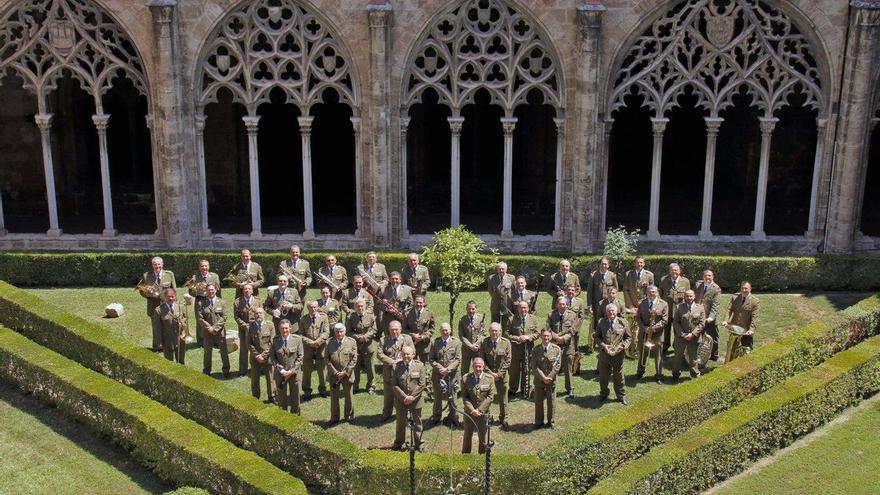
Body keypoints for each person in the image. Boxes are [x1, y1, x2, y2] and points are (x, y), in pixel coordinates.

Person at [594, 304, 631, 405]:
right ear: (606, 312)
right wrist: (603, 345)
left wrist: (622, 347)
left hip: (618, 355)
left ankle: (621, 396)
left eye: (613, 311)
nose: (611, 312)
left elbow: (628, 338)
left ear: (616, 311)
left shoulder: (623, 322)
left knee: (619, 377)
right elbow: (596, 337)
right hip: (604, 355)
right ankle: (603, 394)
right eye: (609, 311)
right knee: (603, 377)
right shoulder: (601, 322)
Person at [392, 346, 427, 451]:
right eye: (404, 354)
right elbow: (394, 384)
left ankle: (419, 444)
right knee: (400, 423)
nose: (406, 356)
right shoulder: (396, 366)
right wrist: (404, 397)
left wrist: (412, 397)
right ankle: (398, 444)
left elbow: (422, 384)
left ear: (413, 354)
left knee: (417, 423)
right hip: (400, 400)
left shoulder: (419, 366)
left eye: (408, 354)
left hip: (416, 400)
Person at [379, 321, 414, 421]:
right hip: (389, 372)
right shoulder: (384, 340)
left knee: (404, 393)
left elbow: (413, 352)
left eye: (396, 330)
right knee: (388, 395)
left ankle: (406, 413)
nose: (394, 332)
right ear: (389, 330)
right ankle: (386, 413)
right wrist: (393, 362)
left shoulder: (407, 339)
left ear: (400, 329)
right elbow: (380, 354)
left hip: (403, 372)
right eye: (392, 330)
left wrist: (403, 360)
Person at [140, 256, 176, 352]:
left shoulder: (169, 274)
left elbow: (174, 290)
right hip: (153, 305)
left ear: (162, 264)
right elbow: (141, 289)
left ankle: (168, 345)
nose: (157, 266)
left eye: (159, 264)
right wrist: (146, 294)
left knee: (168, 325)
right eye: (155, 264)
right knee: (156, 327)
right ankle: (157, 347)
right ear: (152, 265)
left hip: (166, 305)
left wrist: (174, 304)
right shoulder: (146, 276)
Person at [479, 322, 511, 430]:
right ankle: (487, 417)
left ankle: (504, 418)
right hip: (488, 376)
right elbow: (482, 359)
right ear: (489, 331)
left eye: (496, 330)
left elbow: (508, 360)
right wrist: (490, 373)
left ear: (500, 332)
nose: (494, 333)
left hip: (502, 376)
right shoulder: (484, 342)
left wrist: (499, 374)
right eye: (492, 330)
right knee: (486, 398)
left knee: (503, 398)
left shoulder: (506, 343)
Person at [429, 322, 461, 426]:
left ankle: (453, 417)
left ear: (450, 330)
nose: (445, 332)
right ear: (440, 331)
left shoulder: (456, 342)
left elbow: (458, 359)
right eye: (443, 330)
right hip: (438, 375)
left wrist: (447, 369)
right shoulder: (435, 342)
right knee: (437, 397)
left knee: (453, 396)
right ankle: (436, 417)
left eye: (447, 330)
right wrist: (440, 368)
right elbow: (431, 359)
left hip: (452, 375)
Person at [461, 357, 495, 454]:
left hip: (483, 414)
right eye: (476, 367)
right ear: (473, 367)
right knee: (467, 435)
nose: (478, 369)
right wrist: (472, 410)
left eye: (480, 367)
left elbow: (490, 397)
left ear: (483, 367)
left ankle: (482, 456)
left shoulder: (490, 378)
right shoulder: (465, 378)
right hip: (469, 413)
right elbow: (464, 397)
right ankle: (465, 457)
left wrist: (480, 410)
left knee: (483, 436)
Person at [546, 297, 578, 398]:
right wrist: (557, 338)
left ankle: (570, 389)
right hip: (554, 345)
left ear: (567, 305)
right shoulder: (551, 314)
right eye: (560, 304)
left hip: (568, 345)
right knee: (552, 367)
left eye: (564, 304)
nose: (562, 306)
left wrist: (563, 338)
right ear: (556, 305)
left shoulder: (572, 315)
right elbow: (548, 328)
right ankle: (550, 387)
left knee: (568, 368)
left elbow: (573, 330)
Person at [636, 285, 669, 382]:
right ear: (647, 292)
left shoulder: (664, 304)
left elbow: (665, 320)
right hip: (644, 333)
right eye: (649, 291)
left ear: (657, 292)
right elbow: (638, 318)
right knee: (642, 354)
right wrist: (643, 328)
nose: (651, 293)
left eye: (653, 292)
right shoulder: (642, 303)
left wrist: (652, 329)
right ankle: (640, 372)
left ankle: (659, 375)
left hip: (657, 334)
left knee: (658, 356)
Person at [505, 300, 538, 398]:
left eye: (525, 308)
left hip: (528, 349)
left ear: (528, 308)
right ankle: (513, 389)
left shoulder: (533, 319)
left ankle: (525, 389)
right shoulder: (511, 319)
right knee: (514, 371)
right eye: (521, 308)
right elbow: (506, 333)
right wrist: (518, 338)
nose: (523, 310)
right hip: (515, 349)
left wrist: (528, 337)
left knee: (526, 369)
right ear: (518, 308)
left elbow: (537, 333)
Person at [326, 323, 357, 423]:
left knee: (349, 396)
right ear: (334, 332)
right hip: (333, 376)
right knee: (334, 397)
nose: (339, 334)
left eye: (341, 331)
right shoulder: (329, 343)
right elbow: (326, 359)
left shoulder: (352, 342)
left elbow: (354, 359)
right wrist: (335, 372)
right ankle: (335, 417)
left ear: (345, 331)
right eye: (337, 332)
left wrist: (345, 372)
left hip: (347, 375)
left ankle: (349, 416)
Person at [197, 283, 229, 377]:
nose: (211, 291)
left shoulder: (222, 302)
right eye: (209, 290)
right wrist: (209, 328)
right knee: (207, 352)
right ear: (206, 291)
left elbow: (224, 317)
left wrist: (214, 328)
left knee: (224, 351)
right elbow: (200, 318)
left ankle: (226, 370)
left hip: (220, 331)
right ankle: (207, 371)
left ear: (216, 290)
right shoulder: (201, 303)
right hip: (207, 332)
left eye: (212, 290)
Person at [531, 329, 562, 429]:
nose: (546, 338)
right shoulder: (535, 350)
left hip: (551, 380)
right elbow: (534, 366)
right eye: (544, 336)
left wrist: (550, 377)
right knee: (538, 402)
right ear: (541, 336)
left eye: (548, 336)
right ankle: (538, 422)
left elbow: (558, 365)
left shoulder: (557, 349)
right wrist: (543, 377)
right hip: (539, 380)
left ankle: (551, 422)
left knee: (551, 402)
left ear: (551, 337)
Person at [672, 290, 706, 380]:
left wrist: (693, 334)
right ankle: (675, 374)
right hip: (681, 337)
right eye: (687, 296)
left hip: (694, 337)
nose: (689, 298)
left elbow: (702, 323)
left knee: (693, 358)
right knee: (677, 357)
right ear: (684, 297)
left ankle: (694, 374)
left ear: (694, 296)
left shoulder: (700, 308)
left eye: (691, 296)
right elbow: (675, 322)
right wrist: (682, 334)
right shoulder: (679, 307)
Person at [271, 320, 303, 414]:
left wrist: (291, 371)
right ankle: (283, 417)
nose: (284, 330)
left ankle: (295, 416)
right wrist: (281, 370)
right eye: (282, 328)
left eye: (286, 328)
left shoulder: (297, 339)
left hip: (294, 374)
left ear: (290, 328)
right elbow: (273, 358)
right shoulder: (275, 341)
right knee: (281, 398)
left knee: (295, 397)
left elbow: (300, 357)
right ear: (279, 329)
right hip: (280, 374)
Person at [346, 298, 377, 394]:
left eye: (362, 306)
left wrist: (365, 337)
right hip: (355, 346)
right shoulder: (351, 317)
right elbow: (348, 332)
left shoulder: (371, 316)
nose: (360, 308)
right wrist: (357, 337)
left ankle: (371, 386)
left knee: (370, 367)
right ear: (355, 307)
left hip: (368, 345)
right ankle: (355, 386)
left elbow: (374, 330)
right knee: (356, 367)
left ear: (365, 306)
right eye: (358, 306)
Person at [186, 259, 220, 344]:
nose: (204, 268)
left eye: (206, 266)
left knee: (213, 319)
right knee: (200, 321)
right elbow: (190, 291)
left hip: (211, 301)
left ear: (208, 267)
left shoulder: (214, 276)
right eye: (202, 266)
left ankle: (215, 340)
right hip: (200, 301)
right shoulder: (195, 277)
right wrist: (196, 292)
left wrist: (218, 301)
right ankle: (201, 342)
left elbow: (218, 289)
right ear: (199, 267)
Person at [300, 300, 329, 399]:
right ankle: (307, 392)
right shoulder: (303, 319)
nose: (313, 309)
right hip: (308, 349)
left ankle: (323, 389)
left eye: (315, 307)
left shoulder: (323, 317)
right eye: (311, 307)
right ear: (308, 308)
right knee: (307, 372)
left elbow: (326, 332)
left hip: (321, 348)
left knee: (322, 371)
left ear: (318, 307)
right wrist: (310, 343)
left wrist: (318, 342)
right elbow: (301, 335)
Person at [659, 263, 690, 354]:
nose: (674, 272)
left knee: (678, 329)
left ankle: (677, 346)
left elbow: (688, 295)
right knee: (666, 329)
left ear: (679, 271)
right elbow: (661, 293)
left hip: (679, 311)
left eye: (676, 270)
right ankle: (665, 346)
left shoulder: (685, 281)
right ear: (669, 271)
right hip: (667, 310)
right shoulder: (664, 280)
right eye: (672, 270)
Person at [723, 281, 759, 360]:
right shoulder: (735, 297)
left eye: (746, 288)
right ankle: (729, 364)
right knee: (731, 349)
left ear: (750, 289)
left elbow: (755, 317)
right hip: (735, 329)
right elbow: (729, 309)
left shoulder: (754, 301)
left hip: (746, 331)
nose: (744, 290)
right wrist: (725, 320)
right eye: (742, 288)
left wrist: (751, 329)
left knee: (746, 351)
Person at [248, 307, 276, 402]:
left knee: (270, 377)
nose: (259, 315)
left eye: (260, 313)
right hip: (255, 357)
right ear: (254, 315)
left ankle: (272, 396)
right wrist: (257, 355)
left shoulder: (270, 325)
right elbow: (248, 343)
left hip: (268, 357)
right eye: (257, 313)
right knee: (255, 378)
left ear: (264, 314)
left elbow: (272, 342)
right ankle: (255, 397)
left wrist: (263, 355)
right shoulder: (250, 326)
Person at [233, 283, 261, 376]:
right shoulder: (237, 302)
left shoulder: (258, 301)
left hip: (255, 329)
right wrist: (245, 325)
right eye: (245, 289)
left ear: (252, 290)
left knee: (257, 348)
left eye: (249, 289)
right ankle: (242, 371)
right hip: (243, 330)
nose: (247, 291)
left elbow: (260, 314)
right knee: (244, 350)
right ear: (243, 290)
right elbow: (236, 317)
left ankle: (257, 369)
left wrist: (255, 324)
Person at [694, 269, 722, 361]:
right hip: (699, 316)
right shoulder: (698, 285)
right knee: (699, 335)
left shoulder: (716, 289)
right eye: (706, 275)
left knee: (713, 337)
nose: (707, 277)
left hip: (711, 317)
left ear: (712, 277)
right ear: (703, 277)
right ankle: (699, 354)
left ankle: (714, 355)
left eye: (709, 276)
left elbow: (715, 305)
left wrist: (711, 317)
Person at [154, 287, 186, 364]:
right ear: (165, 297)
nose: (171, 298)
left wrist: (182, 323)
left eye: (173, 296)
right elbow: (157, 328)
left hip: (179, 338)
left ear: (175, 296)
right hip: (167, 339)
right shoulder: (158, 310)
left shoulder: (180, 306)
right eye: (169, 296)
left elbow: (185, 318)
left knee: (181, 361)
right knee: (168, 362)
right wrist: (159, 342)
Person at [587, 257, 619, 331]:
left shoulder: (612, 275)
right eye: (602, 264)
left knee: (609, 322)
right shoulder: (593, 275)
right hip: (596, 304)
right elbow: (589, 291)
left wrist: (615, 302)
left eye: (605, 264)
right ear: (599, 265)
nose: (603, 266)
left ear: (608, 265)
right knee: (597, 323)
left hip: (608, 303)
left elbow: (616, 289)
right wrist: (589, 305)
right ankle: (596, 340)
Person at [379, 272, 413, 336]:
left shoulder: (407, 289)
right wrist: (386, 309)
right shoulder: (383, 289)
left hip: (402, 319)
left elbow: (411, 304)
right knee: (389, 339)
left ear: (400, 280)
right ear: (389, 279)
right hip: (388, 319)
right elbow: (378, 304)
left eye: (396, 279)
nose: (394, 281)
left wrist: (403, 313)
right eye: (392, 279)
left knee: (402, 338)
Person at [458, 300, 486, 375]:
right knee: (464, 369)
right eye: (469, 309)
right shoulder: (462, 320)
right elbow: (461, 336)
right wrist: (470, 346)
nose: (471, 311)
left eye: (473, 309)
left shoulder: (481, 319)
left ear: (476, 309)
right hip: (466, 349)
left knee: (478, 368)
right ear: (466, 309)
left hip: (478, 349)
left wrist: (476, 344)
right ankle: (464, 385)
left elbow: (483, 334)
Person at [404, 295, 435, 363]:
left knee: (424, 365)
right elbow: (404, 329)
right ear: (414, 302)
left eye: (420, 302)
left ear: (424, 303)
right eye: (417, 302)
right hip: (411, 343)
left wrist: (423, 337)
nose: (418, 304)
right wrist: (413, 335)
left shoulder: (429, 313)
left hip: (424, 345)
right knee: (410, 364)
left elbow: (432, 329)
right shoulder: (407, 313)